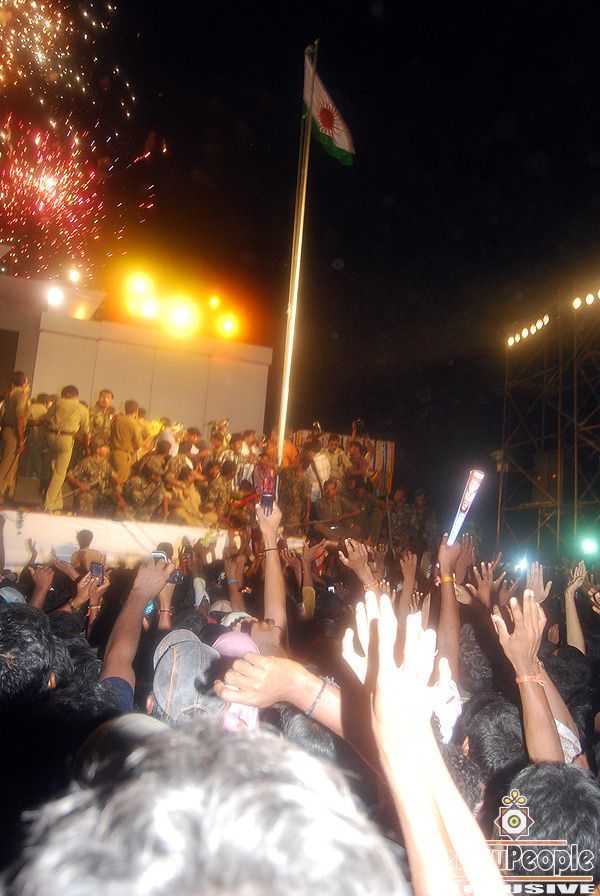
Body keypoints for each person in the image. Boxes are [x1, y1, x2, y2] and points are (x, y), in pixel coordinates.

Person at [44, 386, 90, 513]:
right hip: (66, 439)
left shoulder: (56, 403)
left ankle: (57, 502)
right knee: (60, 472)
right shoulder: (82, 409)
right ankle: (49, 503)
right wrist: (86, 446)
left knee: (53, 467)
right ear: (75, 395)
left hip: (51, 437)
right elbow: (86, 432)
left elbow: (47, 419)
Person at [0, 371, 30, 503]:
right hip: (14, 432)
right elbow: (19, 417)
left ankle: (6, 494)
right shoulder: (21, 395)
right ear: (24, 383)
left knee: (10, 464)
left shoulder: (9, 394)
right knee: (7, 465)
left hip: (6, 430)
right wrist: (21, 438)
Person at [66, 442, 118, 516]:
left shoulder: (106, 463)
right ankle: (85, 519)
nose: (107, 449)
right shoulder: (86, 462)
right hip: (89, 492)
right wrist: (79, 484)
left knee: (116, 496)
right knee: (86, 497)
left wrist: (116, 483)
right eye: (104, 447)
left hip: (102, 492)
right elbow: (69, 475)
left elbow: (115, 477)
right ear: (98, 449)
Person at [109, 400, 142, 485]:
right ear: (136, 411)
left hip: (111, 453)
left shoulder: (116, 419)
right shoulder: (134, 424)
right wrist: (133, 452)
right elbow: (138, 445)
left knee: (110, 480)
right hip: (123, 456)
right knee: (120, 482)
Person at [20, 393, 51, 479]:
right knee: (37, 460)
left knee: (28, 460)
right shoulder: (45, 411)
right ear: (47, 402)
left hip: (28, 437)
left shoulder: (30, 408)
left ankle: (26, 477)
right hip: (39, 440)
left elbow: (24, 421)